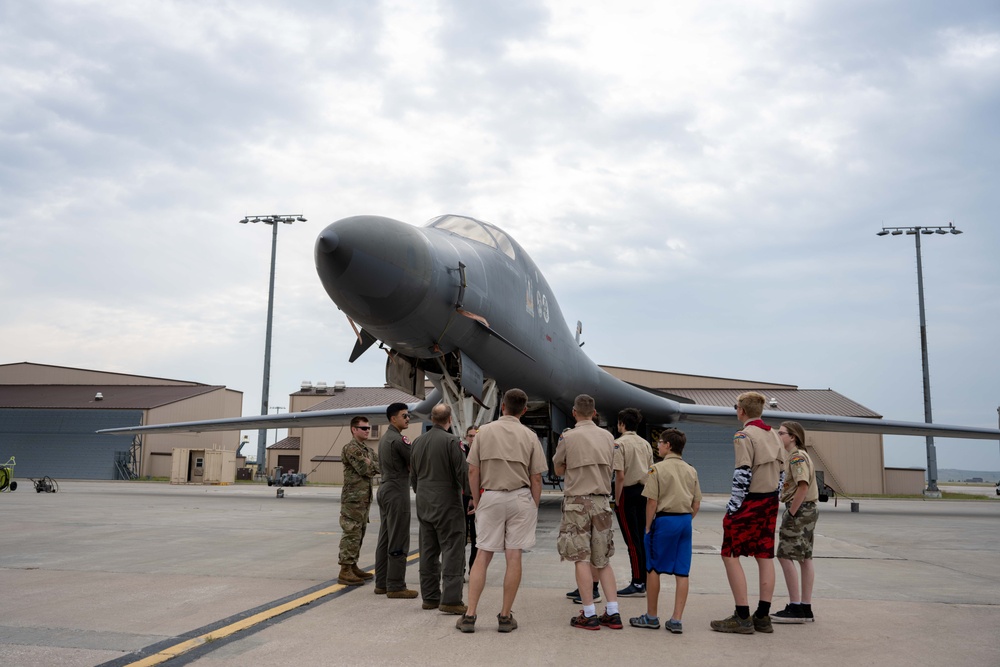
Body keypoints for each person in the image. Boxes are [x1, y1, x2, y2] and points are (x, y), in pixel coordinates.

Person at [456, 388, 547, 634]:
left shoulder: (483, 433)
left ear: (502, 407)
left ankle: (470, 615)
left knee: (483, 553)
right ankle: (505, 616)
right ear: (524, 410)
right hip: (520, 496)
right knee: (513, 555)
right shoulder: (529, 436)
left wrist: (477, 499)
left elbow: (473, 471)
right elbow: (536, 477)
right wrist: (533, 506)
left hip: (491, 495)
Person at [711, 391, 785, 634]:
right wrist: (775, 495)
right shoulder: (773, 434)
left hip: (750, 501)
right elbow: (782, 473)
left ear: (741, 411)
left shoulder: (744, 435)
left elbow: (742, 474)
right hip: (771, 501)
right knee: (765, 555)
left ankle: (742, 615)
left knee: (729, 553)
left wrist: (733, 507)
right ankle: (763, 616)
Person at [553, 394, 621, 631]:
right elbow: (613, 466)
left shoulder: (568, 437)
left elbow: (558, 467)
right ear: (594, 413)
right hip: (602, 502)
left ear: (574, 413)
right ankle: (613, 611)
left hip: (577, 503)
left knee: (580, 557)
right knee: (602, 559)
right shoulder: (608, 437)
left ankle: (589, 613)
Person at [629, 428, 701, 634]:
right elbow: (696, 503)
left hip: (664, 521)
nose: (658, 446)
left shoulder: (656, 469)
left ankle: (651, 616)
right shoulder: (691, 469)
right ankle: (676, 619)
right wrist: (686, 519)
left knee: (652, 568)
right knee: (682, 570)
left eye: (660, 442)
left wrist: (648, 526)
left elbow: (652, 501)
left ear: (668, 445)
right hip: (685, 521)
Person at [410, 404, 468, 615]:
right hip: (447, 504)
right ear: (449, 419)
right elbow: (463, 473)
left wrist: (422, 493)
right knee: (452, 549)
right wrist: (472, 498)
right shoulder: (452, 442)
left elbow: (413, 476)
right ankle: (451, 600)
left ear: (432, 419)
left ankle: (430, 597)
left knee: (428, 551)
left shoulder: (417, 442)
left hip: (424, 503)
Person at [771, 421, 818, 623]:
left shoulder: (797, 457)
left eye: (782, 433)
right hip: (808, 509)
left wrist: (791, 512)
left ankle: (796, 607)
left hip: (800, 509)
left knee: (784, 555)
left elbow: (802, 486)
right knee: (805, 557)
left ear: (793, 437)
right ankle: (805, 607)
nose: (778, 436)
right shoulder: (798, 456)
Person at [374, 402, 418, 599]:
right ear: (393, 419)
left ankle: (382, 583)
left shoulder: (385, 439)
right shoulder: (399, 440)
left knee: (385, 537)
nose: (408, 419)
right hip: (396, 490)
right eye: (404, 416)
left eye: (408, 416)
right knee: (399, 537)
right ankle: (396, 585)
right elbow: (415, 463)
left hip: (385, 488)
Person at [613, 407, 654, 598]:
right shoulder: (645, 444)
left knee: (631, 541)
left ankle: (637, 582)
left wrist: (617, 498)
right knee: (641, 538)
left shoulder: (618, 444)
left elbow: (619, 476)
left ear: (622, 424)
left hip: (627, 493)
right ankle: (644, 579)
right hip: (644, 492)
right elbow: (651, 470)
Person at [337, 416, 380, 586]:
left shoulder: (367, 450)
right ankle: (345, 569)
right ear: (354, 429)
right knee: (351, 532)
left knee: (359, 533)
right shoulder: (351, 448)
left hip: (363, 499)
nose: (367, 430)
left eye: (368, 428)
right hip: (353, 499)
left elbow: (378, 467)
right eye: (363, 428)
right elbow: (364, 469)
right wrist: (370, 465)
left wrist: (371, 464)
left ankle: (353, 565)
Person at [461, 426, 479, 572]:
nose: (473, 439)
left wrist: (474, 497)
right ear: (466, 437)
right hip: (462, 498)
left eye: (475, 435)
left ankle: (473, 569)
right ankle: (459, 569)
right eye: (470, 436)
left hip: (477, 498)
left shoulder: (482, 453)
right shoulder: (461, 452)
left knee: (476, 538)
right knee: (460, 537)